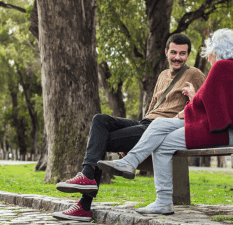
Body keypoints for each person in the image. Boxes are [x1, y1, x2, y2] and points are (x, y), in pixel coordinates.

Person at [52, 33, 206, 221]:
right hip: (146, 123)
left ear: (188, 55)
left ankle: (84, 204)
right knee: (100, 120)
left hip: (162, 128)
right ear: (166, 52)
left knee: (101, 143)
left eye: (182, 53)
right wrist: (133, 135)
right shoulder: (163, 75)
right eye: (173, 52)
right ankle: (87, 178)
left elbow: (205, 103)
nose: (177, 57)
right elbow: (152, 108)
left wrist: (192, 96)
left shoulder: (195, 74)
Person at [97, 28, 233, 215]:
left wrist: (185, 111)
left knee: (163, 145)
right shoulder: (230, 67)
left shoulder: (221, 67)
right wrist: (192, 102)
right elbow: (210, 101)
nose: (208, 57)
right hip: (217, 128)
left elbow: (206, 103)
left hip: (222, 132)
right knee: (160, 123)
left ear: (214, 51)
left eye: (209, 52)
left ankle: (162, 200)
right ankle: (130, 162)